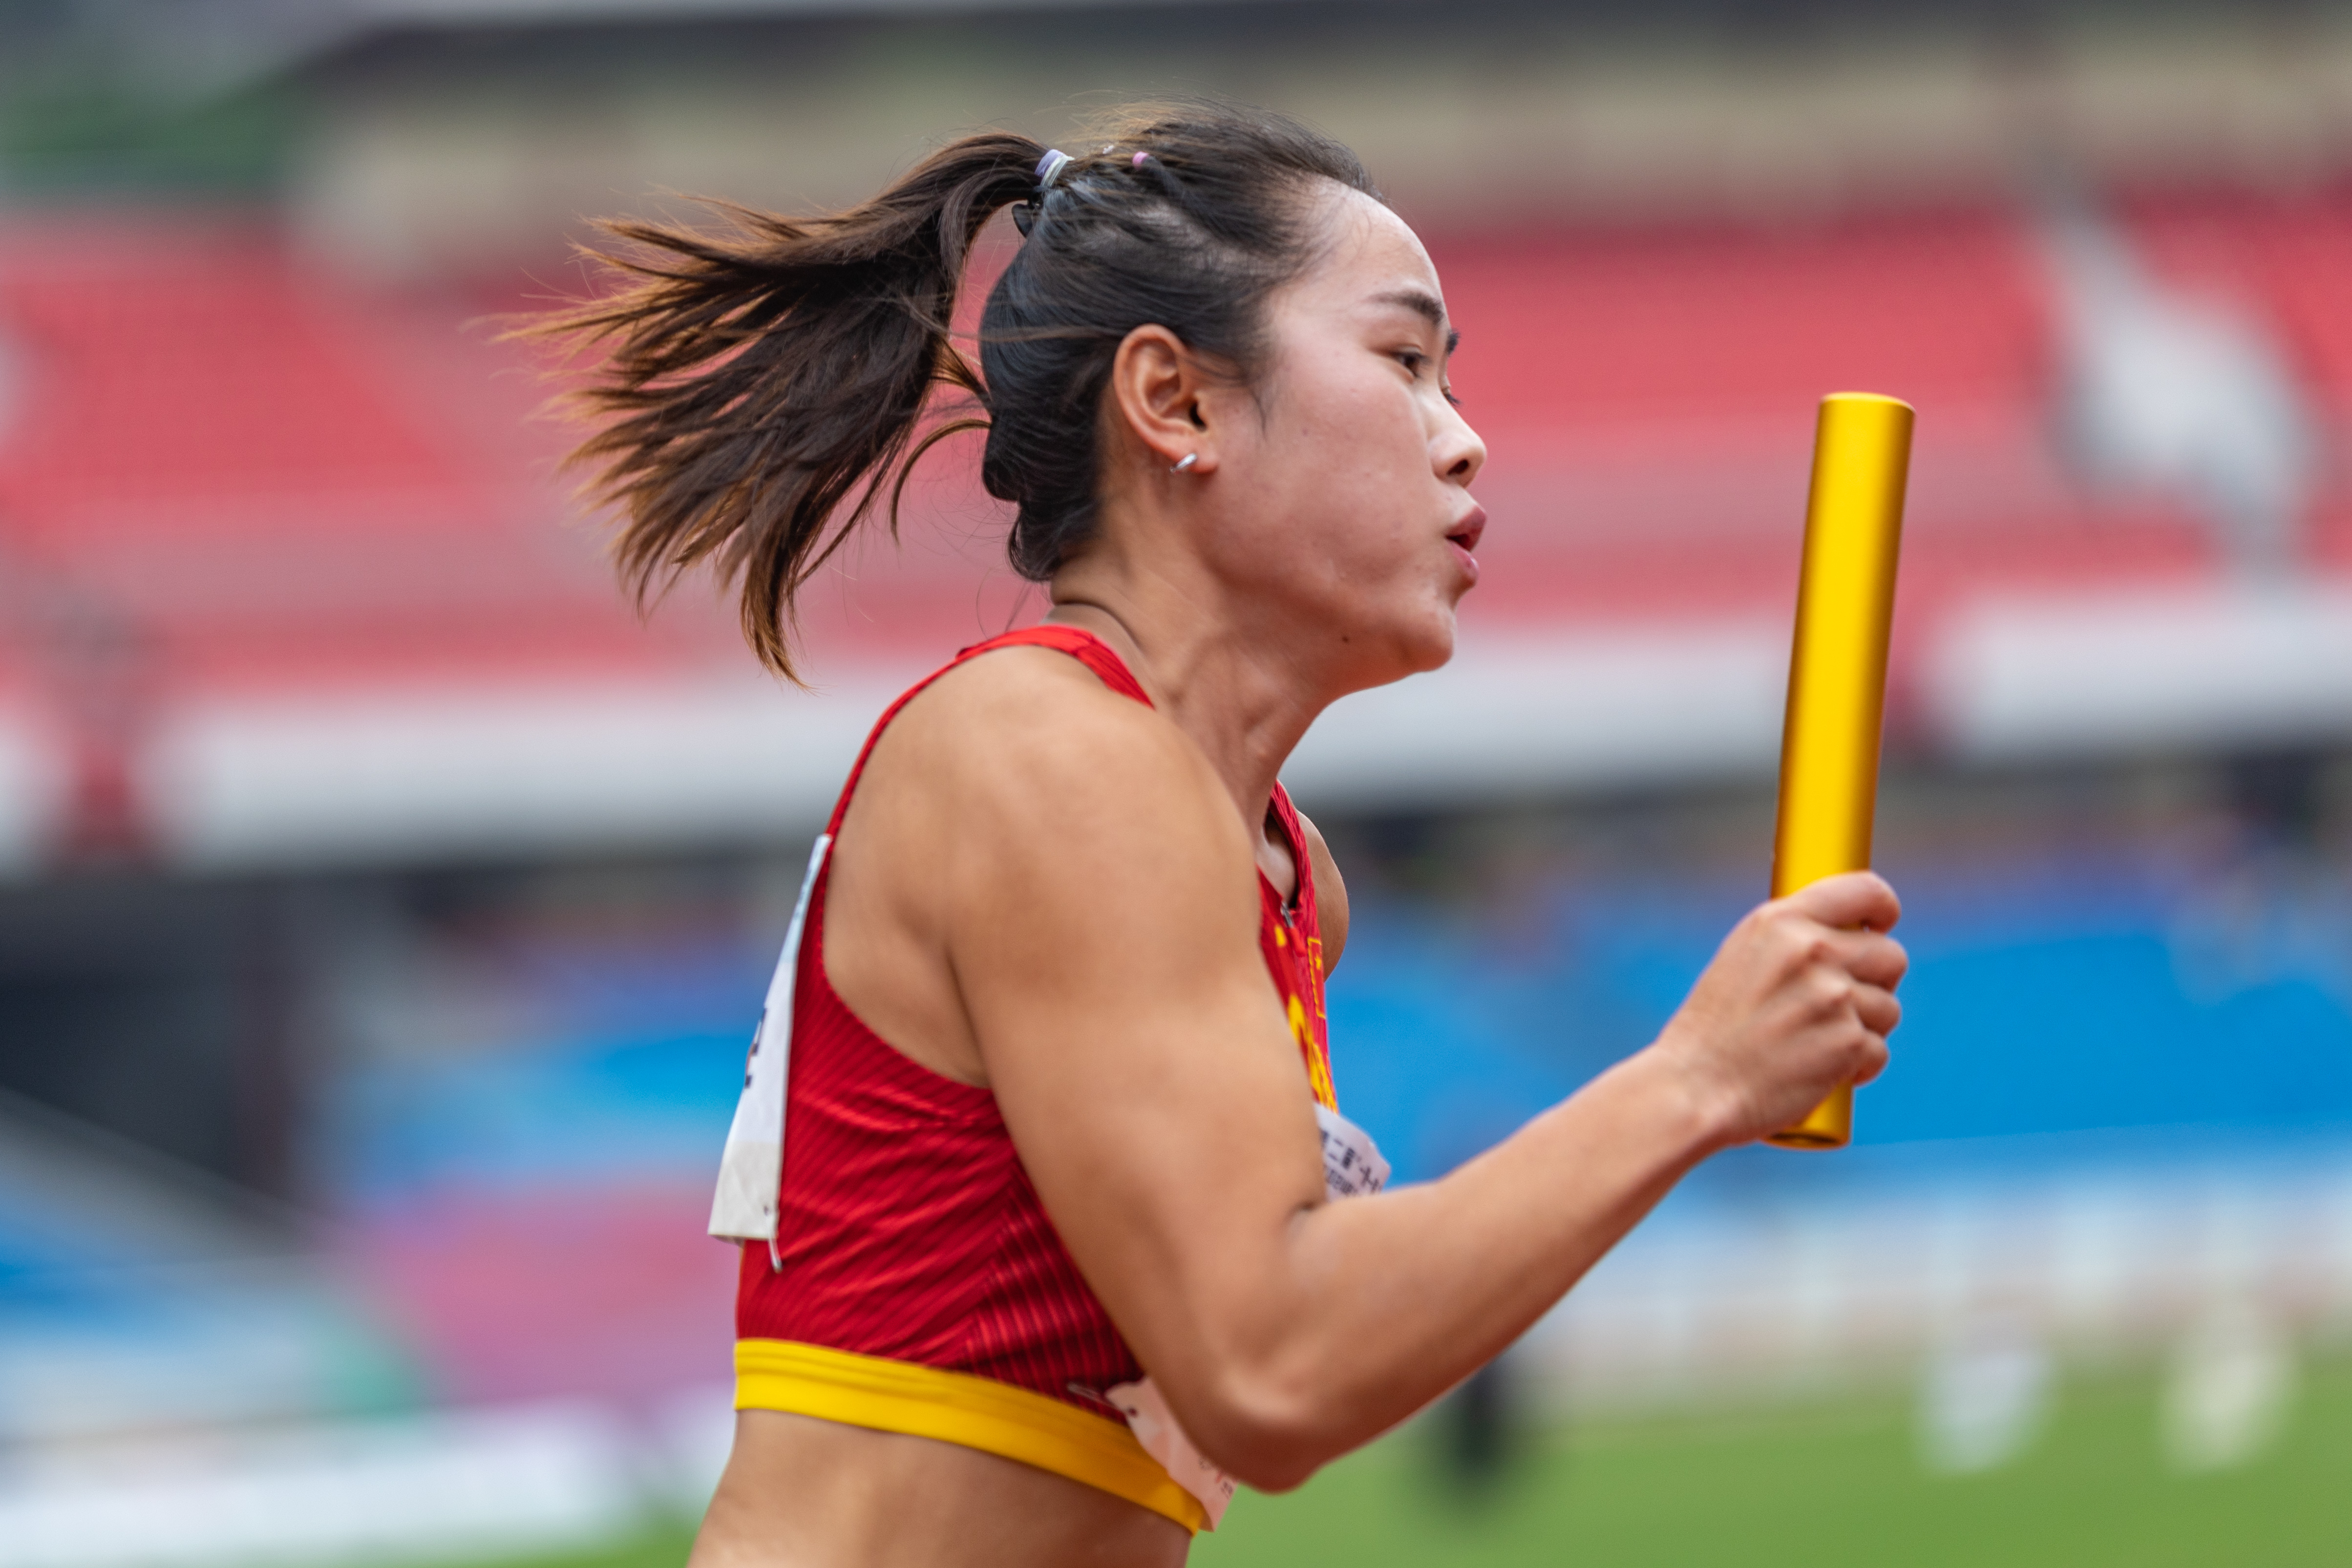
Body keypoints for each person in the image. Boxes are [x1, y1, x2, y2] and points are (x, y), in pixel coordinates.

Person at [523, 99, 1905, 1568]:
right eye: (1405, 362)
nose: (1466, 439)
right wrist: (1696, 1078)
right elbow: (1271, 1368)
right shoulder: (1052, 757)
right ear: (1174, 402)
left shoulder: (1282, 871)